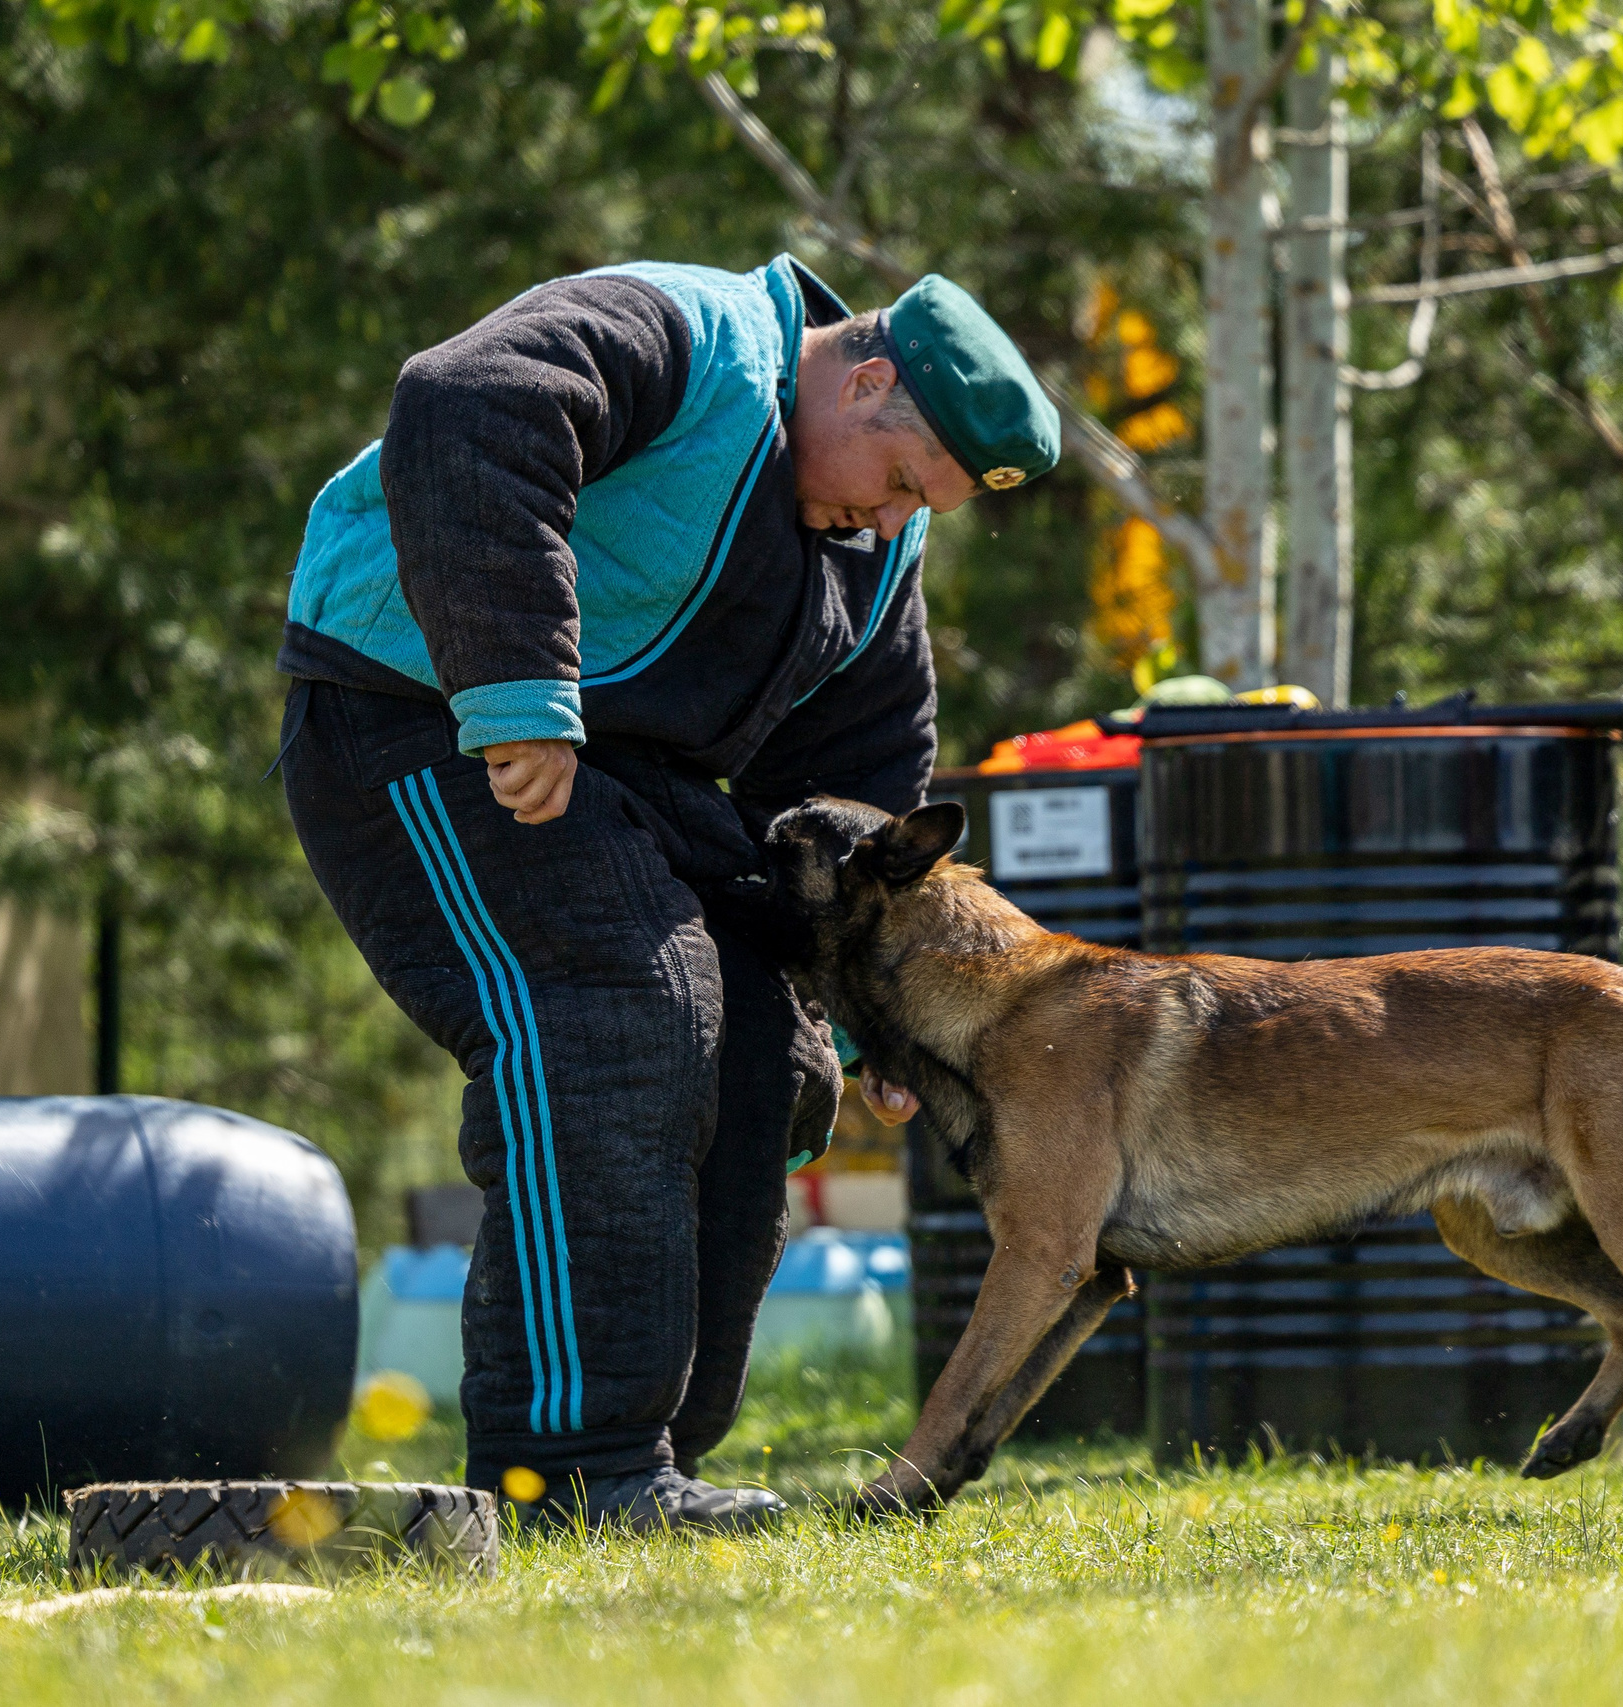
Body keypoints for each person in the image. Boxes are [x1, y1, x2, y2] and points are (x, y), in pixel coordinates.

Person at [275, 252, 1059, 1532]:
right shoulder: (679, 332)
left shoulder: (877, 541)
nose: (891, 518)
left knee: (768, 1053)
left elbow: (858, 766)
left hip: (636, 771)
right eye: (902, 481)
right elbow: (466, 402)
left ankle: (651, 1463)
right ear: (863, 382)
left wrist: (870, 1009)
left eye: (926, 505)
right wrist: (518, 690)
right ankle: (564, 1470)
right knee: (619, 1013)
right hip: (425, 709)